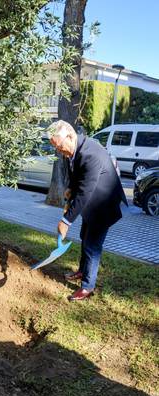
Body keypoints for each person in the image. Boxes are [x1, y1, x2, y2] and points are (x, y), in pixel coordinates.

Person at [48, 120, 127, 301]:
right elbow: (77, 176)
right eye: (56, 148)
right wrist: (70, 188)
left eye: (59, 146)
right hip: (91, 203)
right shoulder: (73, 151)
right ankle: (83, 271)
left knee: (92, 245)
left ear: (70, 136)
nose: (60, 151)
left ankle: (87, 287)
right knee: (85, 237)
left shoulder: (91, 153)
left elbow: (85, 192)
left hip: (104, 205)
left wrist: (66, 221)